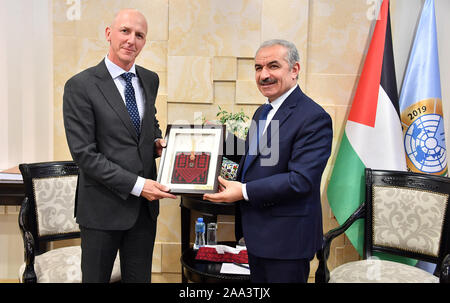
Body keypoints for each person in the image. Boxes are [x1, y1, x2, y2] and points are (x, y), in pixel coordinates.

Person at [204, 39, 333, 283]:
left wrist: (242, 190)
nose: (264, 75)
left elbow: (300, 180)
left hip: (287, 241)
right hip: (257, 235)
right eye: (258, 68)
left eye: (273, 66)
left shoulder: (313, 117)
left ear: (294, 70)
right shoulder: (264, 111)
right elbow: (261, 156)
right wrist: (220, 139)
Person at [63, 8, 176, 283]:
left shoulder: (150, 79)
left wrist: (157, 142)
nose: (131, 40)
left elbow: (149, 123)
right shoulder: (80, 85)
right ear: (109, 34)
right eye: (125, 31)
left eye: (139, 35)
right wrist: (139, 185)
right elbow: (85, 155)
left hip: (143, 213)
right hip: (101, 209)